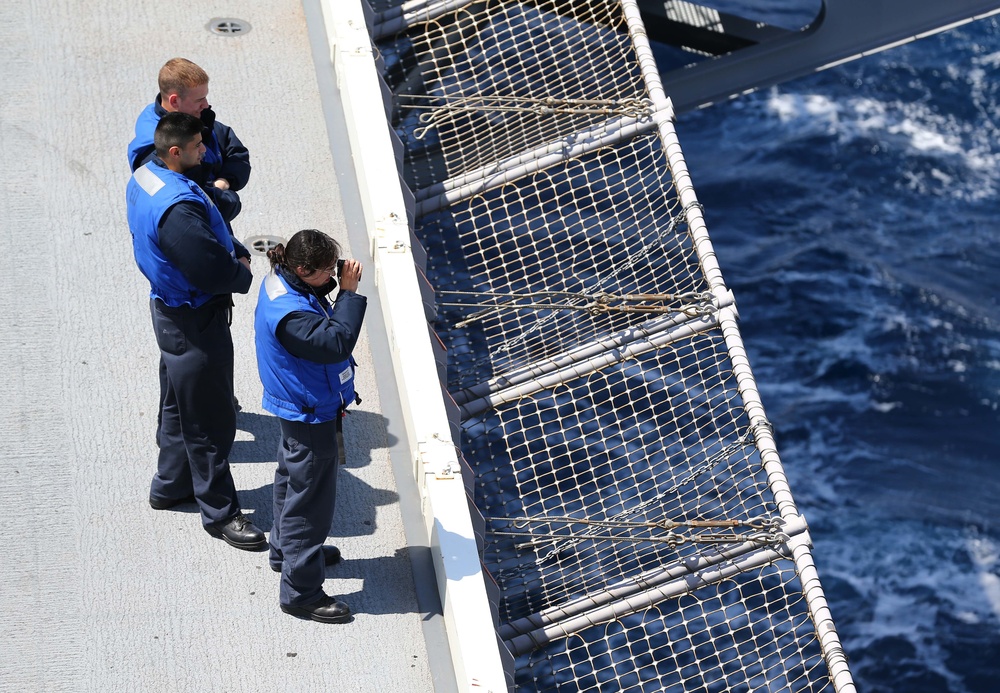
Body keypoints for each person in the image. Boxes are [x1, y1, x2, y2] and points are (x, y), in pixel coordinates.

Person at [127, 111, 265, 551]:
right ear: (175, 151)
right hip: (196, 321)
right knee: (212, 419)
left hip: (168, 314)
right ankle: (220, 512)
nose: (204, 152)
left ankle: (169, 486)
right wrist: (241, 270)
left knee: (176, 404)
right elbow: (208, 267)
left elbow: (208, 227)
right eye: (197, 147)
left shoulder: (147, 176)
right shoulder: (178, 210)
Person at [254, 229, 367, 623]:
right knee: (310, 503)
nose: (334, 275)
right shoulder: (292, 315)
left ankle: (285, 552)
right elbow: (336, 342)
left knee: (291, 479)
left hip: (297, 405)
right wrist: (349, 294)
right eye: (326, 271)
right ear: (303, 268)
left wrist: (328, 286)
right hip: (309, 410)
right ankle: (300, 592)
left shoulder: (284, 283)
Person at [127, 57, 250, 227]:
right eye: (200, 100)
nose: (206, 105)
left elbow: (237, 152)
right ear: (175, 101)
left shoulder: (197, 117)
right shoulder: (157, 149)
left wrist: (224, 182)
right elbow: (204, 202)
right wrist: (230, 198)